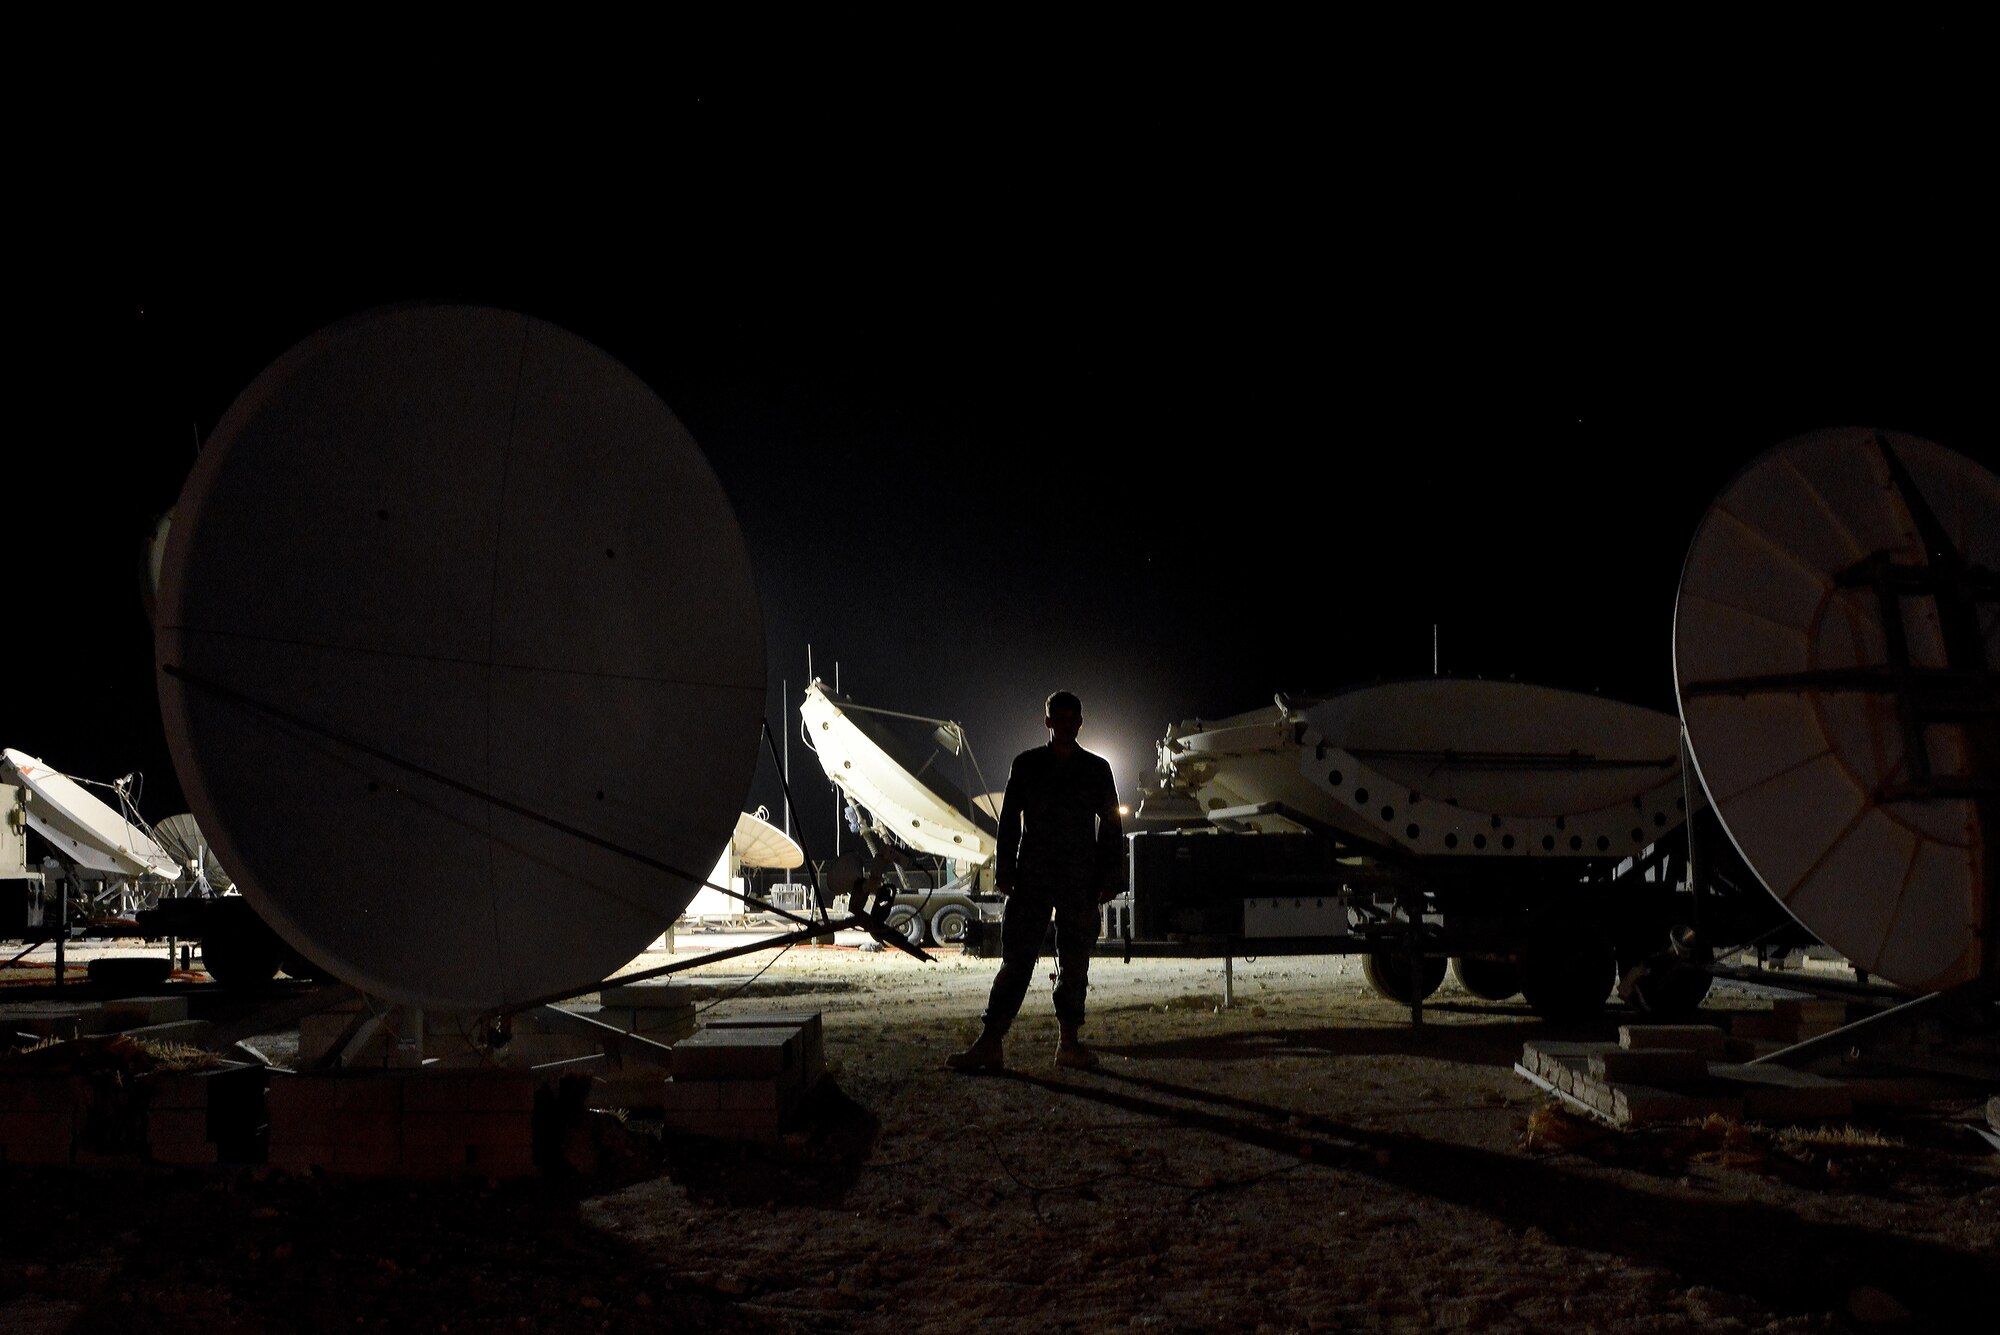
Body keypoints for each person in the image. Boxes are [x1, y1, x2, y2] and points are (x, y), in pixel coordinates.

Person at [946, 690, 1124, 1072]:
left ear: (1079, 723)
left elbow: (1111, 825)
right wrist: (1006, 872)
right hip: (1033, 876)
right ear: (1048, 722)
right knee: (1017, 961)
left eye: (1070, 719)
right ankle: (991, 1043)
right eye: (1057, 718)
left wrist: (1112, 878)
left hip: (1079, 878)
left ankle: (1069, 1045)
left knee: (1075, 963)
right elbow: (1009, 820)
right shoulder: (1026, 765)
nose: (1064, 725)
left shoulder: (1096, 769)